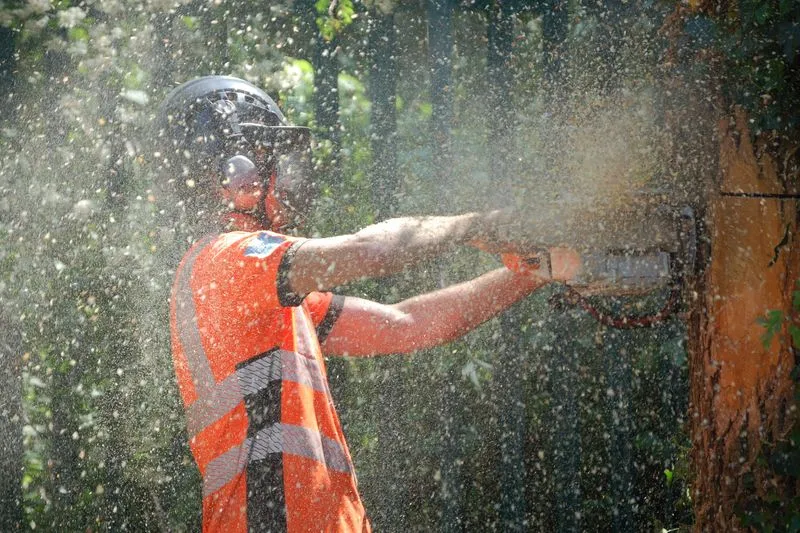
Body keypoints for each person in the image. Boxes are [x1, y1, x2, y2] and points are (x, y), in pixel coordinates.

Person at [157, 75, 579, 533]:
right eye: (270, 160)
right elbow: (374, 252)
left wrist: (538, 269)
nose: (286, 175)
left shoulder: (257, 293)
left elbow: (407, 323)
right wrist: (477, 226)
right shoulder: (226, 261)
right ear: (233, 176)